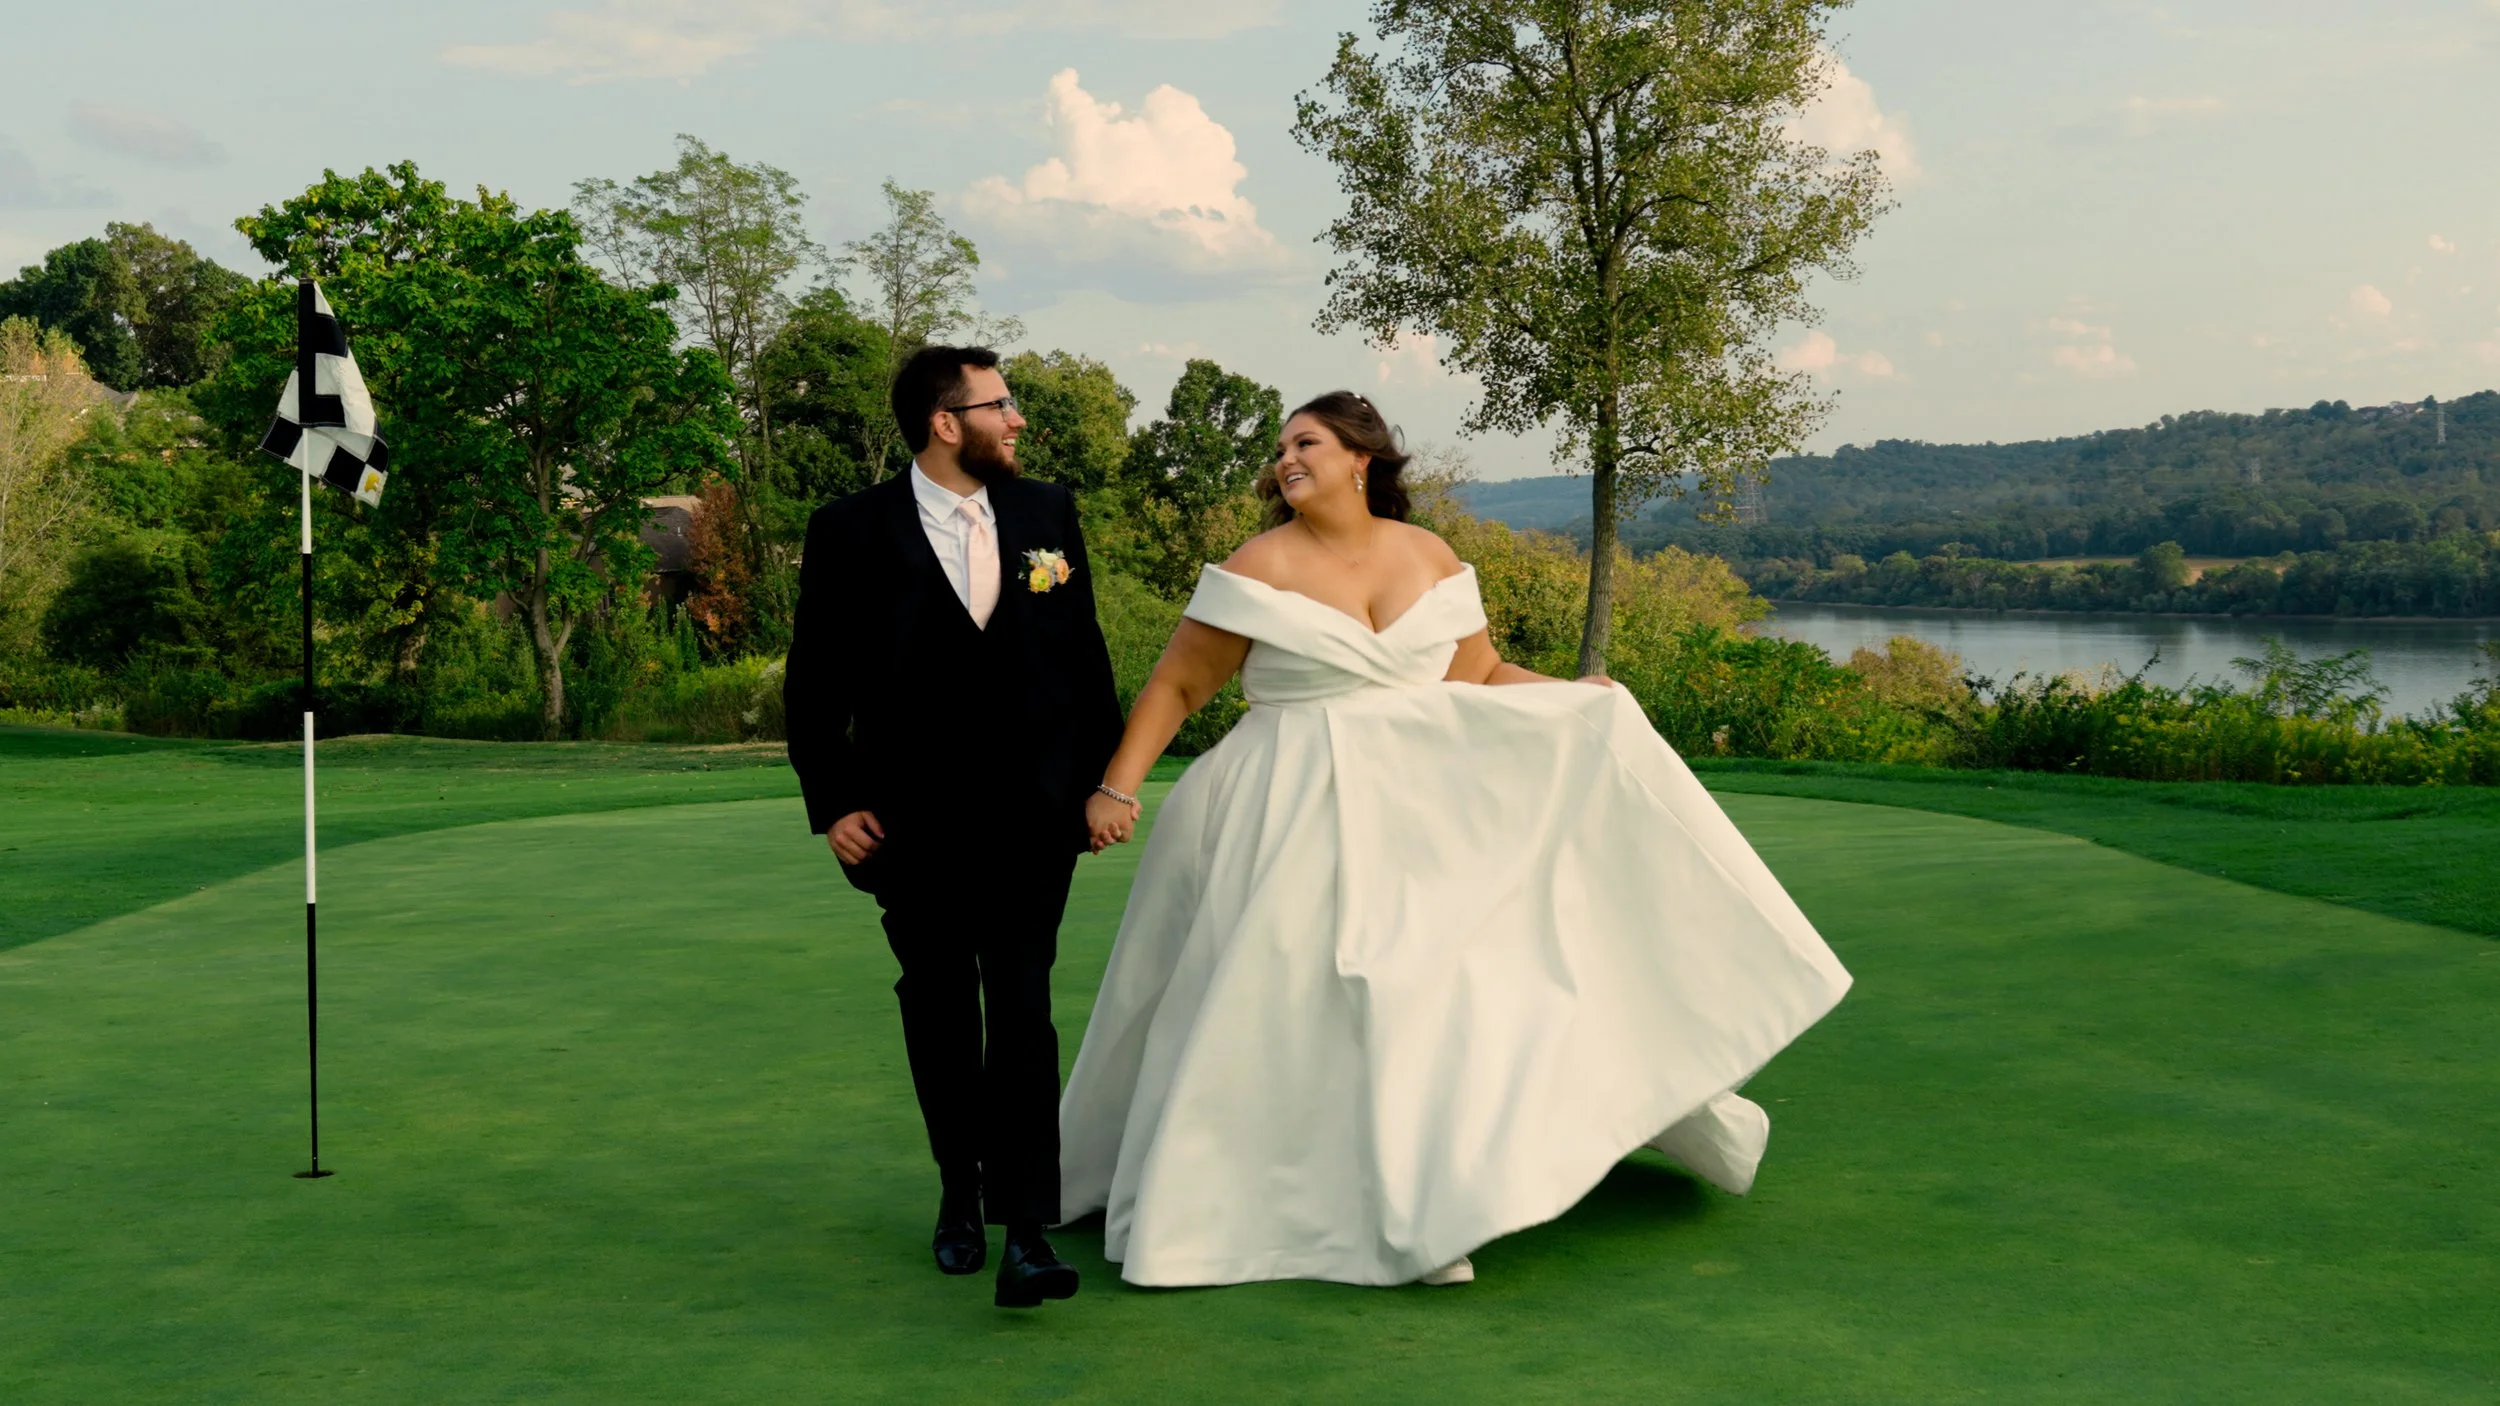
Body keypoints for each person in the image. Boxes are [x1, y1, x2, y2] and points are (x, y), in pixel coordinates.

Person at [1060, 391, 1853, 1289]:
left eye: (1306, 442)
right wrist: (1117, 788)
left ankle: (1430, 1206)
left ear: (1361, 459)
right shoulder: (1259, 564)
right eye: (1280, 448)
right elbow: (1177, 686)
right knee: (1308, 998)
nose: (1286, 459)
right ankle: (1302, 1199)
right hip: (1285, 805)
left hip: (1420, 807)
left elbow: (1478, 670)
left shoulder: (1428, 555)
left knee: (1441, 990)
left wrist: (1573, 696)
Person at [783, 345, 1122, 1309]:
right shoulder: (850, 529)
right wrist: (833, 803)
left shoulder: (1046, 513)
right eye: (999, 404)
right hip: (910, 827)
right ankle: (957, 1193)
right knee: (938, 1010)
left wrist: (1105, 784)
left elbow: (1084, 659)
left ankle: (1027, 1231)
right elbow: (815, 684)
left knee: (1022, 1010)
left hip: (1032, 820)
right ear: (945, 422)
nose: (1017, 420)